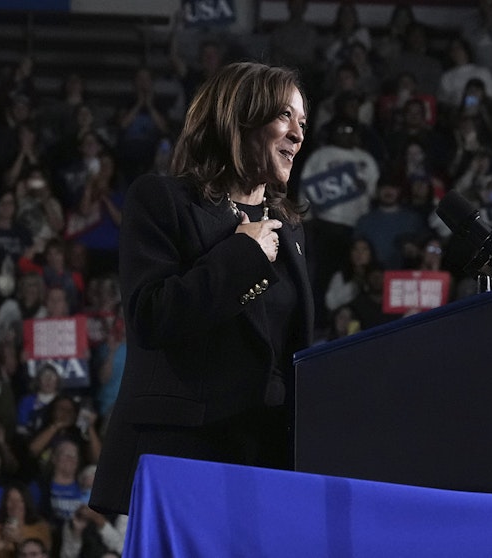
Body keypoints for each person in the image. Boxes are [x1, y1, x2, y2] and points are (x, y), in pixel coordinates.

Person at [90, 62, 314, 516]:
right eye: (284, 116)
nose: (297, 134)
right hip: (186, 452)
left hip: (266, 457)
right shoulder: (162, 199)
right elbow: (151, 317)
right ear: (240, 117)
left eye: (303, 122)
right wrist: (243, 257)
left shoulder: (290, 227)